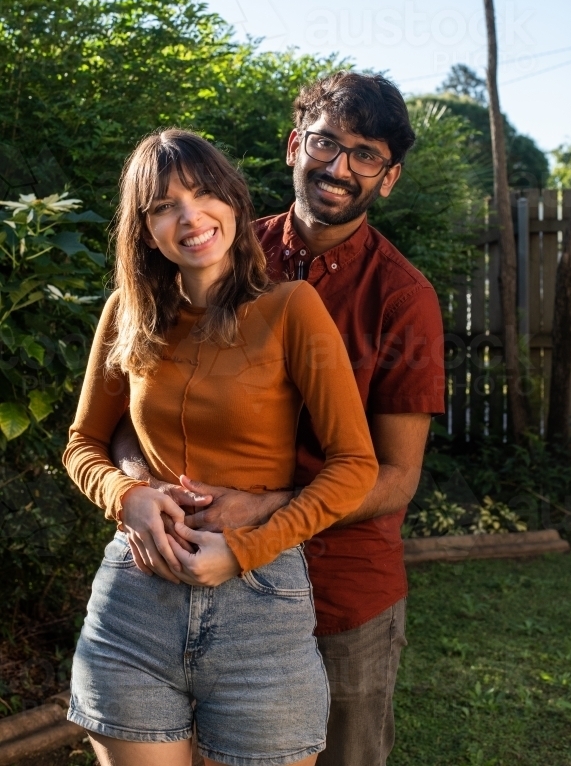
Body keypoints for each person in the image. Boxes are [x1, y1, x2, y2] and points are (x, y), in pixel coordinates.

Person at [113, 72, 445, 766]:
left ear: (387, 179)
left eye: (365, 155)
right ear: (295, 145)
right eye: (326, 143)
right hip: (198, 574)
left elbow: (395, 477)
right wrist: (138, 487)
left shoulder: (401, 298)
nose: (338, 167)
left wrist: (263, 510)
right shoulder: (217, 246)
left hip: (340, 592)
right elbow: (130, 409)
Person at [63, 128, 379, 766]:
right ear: (145, 228)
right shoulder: (127, 313)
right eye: (163, 206)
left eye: (204, 193)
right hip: (134, 602)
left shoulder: (292, 308)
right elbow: (82, 444)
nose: (190, 217)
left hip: (259, 608)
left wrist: (245, 549)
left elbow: (355, 467)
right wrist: (127, 497)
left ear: (233, 202)